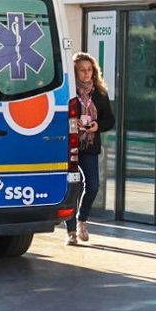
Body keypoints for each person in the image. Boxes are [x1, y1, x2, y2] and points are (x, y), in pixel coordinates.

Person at [69, 52, 116, 246]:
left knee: (93, 185)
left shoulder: (100, 93)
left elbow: (109, 120)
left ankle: (82, 220)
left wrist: (97, 125)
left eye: (89, 70)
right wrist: (73, 122)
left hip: (89, 146)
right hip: (69, 146)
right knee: (71, 187)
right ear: (75, 72)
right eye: (82, 70)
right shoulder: (68, 92)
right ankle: (71, 231)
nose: (86, 74)